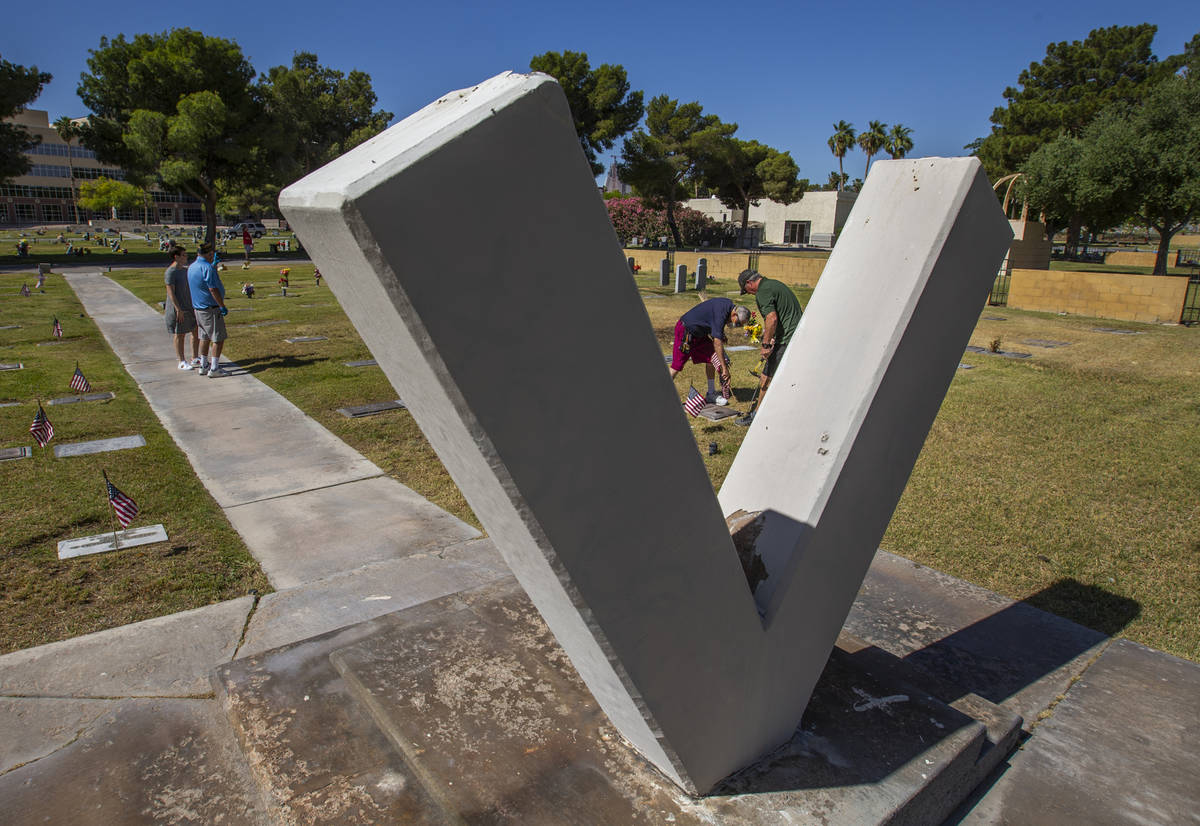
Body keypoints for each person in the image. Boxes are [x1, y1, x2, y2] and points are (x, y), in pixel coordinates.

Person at [735, 269, 805, 425]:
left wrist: (766, 345)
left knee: (766, 378)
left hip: (787, 339)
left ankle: (757, 416)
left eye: (746, 291)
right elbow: (782, 315)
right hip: (795, 335)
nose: (750, 294)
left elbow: (772, 318)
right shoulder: (774, 284)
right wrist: (773, 337)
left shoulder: (762, 291)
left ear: (749, 283)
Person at [669, 297, 750, 405]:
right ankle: (660, 393)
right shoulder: (722, 313)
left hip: (700, 334)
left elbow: (712, 321)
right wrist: (724, 368)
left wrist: (721, 334)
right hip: (686, 331)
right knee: (677, 366)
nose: (737, 326)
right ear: (734, 314)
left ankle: (711, 393)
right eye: (738, 323)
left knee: (712, 359)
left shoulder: (727, 305)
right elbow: (717, 343)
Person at [187, 242, 230, 377]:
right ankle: (215, 368)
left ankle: (204, 364)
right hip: (210, 308)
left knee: (204, 337)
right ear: (209, 254)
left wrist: (213, 266)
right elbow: (212, 288)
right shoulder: (207, 268)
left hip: (198, 308)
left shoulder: (193, 266)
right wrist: (221, 305)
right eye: (212, 254)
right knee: (218, 338)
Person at [165, 245, 200, 370]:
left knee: (195, 331)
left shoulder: (185, 270)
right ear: (177, 257)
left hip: (189, 306)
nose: (186, 257)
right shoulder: (171, 272)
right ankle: (181, 361)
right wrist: (178, 309)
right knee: (180, 334)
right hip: (178, 308)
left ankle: (195, 357)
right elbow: (171, 292)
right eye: (184, 255)